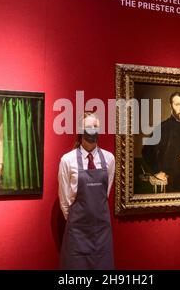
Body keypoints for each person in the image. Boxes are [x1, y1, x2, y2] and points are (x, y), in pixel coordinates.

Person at [58, 112, 115, 269]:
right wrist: (77, 222)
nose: (92, 130)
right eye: (88, 127)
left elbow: (106, 193)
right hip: (77, 235)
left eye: (95, 126)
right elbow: (64, 202)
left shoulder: (109, 159)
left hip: (102, 234)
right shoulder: (67, 160)